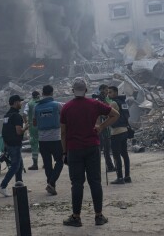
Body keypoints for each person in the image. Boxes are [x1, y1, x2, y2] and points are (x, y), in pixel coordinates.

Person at [60, 78, 119, 227]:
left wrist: (64, 152)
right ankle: (99, 216)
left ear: (73, 91)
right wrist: (101, 127)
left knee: (77, 184)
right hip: (92, 148)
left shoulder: (66, 108)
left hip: (74, 149)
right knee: (95, 182)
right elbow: (115, 114)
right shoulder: (95, 104)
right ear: (86, 90)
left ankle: (76, 217)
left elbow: (63, 132)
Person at [34, 85, 64, 195]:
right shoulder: (58, 105)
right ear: (52, 92)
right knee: (60, 161)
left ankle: (51, 185)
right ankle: (51, 183)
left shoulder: (36, 107)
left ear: (42, 93)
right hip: (56, 138)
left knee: (47, 164)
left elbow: (35, 123)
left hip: (42, 140)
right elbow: (69, 110)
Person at [0, 95, 29, 197]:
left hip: (8, 144)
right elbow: (19, 132)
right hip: (15, 144)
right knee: (15, 165)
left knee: (19, 164)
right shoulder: (16, 116)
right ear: (15, 103)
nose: (21, 104)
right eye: (20, 102)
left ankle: (19, 185)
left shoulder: (7, 115)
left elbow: (5, 131)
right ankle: (2, 186)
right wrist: (26, 127)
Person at [107, 86, 131, 185]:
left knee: (116, 156)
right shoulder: (123, 102)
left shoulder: (113, 103)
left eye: (110, 92)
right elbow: (127, 115)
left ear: (116, 93)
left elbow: (107, 114)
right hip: (125, 130)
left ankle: (119, 177)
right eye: (108, 92)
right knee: (124, 154)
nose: (109, 94)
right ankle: (127, 176)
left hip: (116, 132)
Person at [95, 84, 116, 172]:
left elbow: (109, 109)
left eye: (108, 90)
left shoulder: (106, 99)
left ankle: (110, 166)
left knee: (107, 148)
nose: (107, 92)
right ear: (101, 90)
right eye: (106, 90)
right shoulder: (96, 100)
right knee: (99, 149)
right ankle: (96, 167)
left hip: (106, 126)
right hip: (99, 126)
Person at [23, 91, 40, 170]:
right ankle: (46, 163)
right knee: (43, 144)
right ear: (38, 96)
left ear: (32, 96)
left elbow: (24, 114)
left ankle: (35, 164)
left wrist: (27, 123)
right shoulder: (41, 102)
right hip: (41, 126)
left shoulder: (29, 104)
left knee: (34, 144)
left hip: (32, 126)